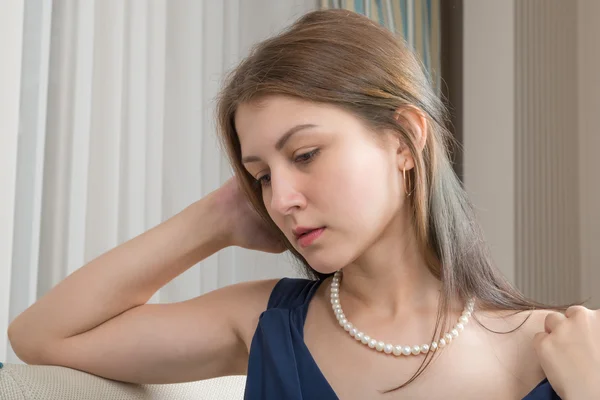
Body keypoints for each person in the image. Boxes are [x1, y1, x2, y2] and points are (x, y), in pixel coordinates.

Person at [7, 9, 599, 400]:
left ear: (404, 140)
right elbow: (41, 338)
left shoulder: (556, 349)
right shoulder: (265, 324)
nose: (281, 200)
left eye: (307, 154)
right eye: (260, 176)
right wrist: (214, 219)